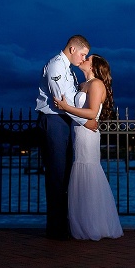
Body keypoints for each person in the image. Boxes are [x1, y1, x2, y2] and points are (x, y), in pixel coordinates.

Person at [53, 54, 123, 241]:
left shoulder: (97, 84)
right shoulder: (82, 84)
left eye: (88, 58)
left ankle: (94, 224)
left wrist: (65, 107)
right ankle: (83, 222)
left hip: (88, 135)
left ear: (93, 66)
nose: (83, 59)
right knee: (79, 170)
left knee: (88, 170)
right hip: (78, 133)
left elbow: (92, 113)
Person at [35, 35, 98, 240]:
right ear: (72, 49)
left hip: (64, 122)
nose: (83, 59)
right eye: (82, 54)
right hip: (53, 122)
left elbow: (69, 101)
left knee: (64, 175)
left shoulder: (68, 68)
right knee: (56, 176)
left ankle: (63, 225)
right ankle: (55, 229)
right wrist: (86, 122)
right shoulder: (56, 66)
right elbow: (60, 102)